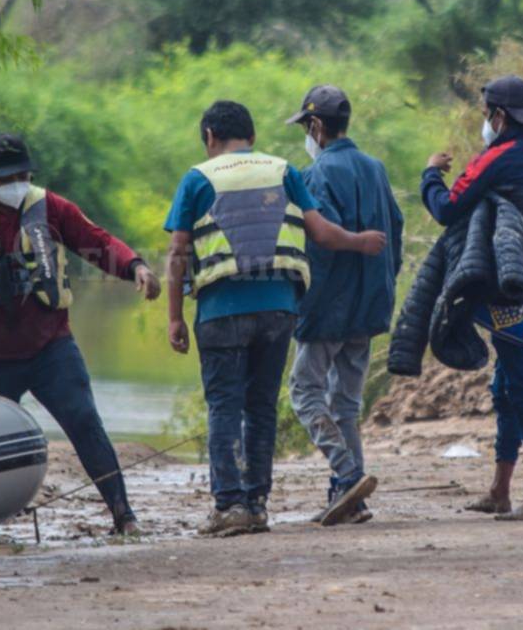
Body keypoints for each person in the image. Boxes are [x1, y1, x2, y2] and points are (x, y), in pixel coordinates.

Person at [0, 133, 161, 536]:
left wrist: (135, 266)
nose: (17, 183)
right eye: (7, 177)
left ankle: (124, 516)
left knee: (85, 423)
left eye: (23, 175)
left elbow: (96, 241)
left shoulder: (51, 207)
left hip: (51, 349)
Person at [165, 100, 386, 536]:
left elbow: (177, 253)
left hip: (222, 309)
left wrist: (174, 317)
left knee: (225, 405)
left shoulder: (197, 178)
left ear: (209, 137)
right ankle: (256, 504)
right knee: (261, 406)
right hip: (279, 308)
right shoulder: (283, 171)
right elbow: (321, 232)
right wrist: (360, 241)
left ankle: (230, 507)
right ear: (252, 137)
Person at [421, 75, 523, 520]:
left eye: (486, 115)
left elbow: (447, 208)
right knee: (506, 387)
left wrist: (430, 174)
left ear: (499, 117)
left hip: (511, 288)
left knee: (522, 388)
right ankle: (500, 490)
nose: (485, 123)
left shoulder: (499, 157)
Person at [285, 85, 404, 526]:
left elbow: (318, 241)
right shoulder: (375, 168)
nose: (307, 135)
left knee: (304, 392)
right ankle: (350, 498)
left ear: (316, 126)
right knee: (346, 405)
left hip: (326, 307)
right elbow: (396, 230)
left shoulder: (314, 175)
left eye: (306, 127)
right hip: (369, 305)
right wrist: (382, 283)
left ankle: (348, 472)